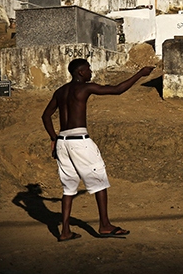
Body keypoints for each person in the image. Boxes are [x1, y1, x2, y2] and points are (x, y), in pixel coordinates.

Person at [41, 59, 154, 242]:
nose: (90, 72)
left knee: (69, 189)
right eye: (88, 69)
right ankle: (105, 225)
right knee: (99, 181)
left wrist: (54, 138)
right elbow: (118, 89)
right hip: (80, 142)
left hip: (63, 142)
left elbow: (46, 116)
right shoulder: (84, 88)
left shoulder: (60, 91)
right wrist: (140, 73)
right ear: (80, 73)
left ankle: (65, 232)